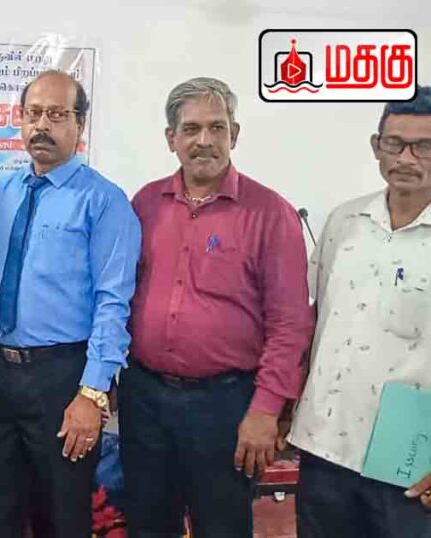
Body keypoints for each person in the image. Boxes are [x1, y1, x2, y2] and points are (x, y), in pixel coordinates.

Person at [0, 69, 141, 538]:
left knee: (62, 516)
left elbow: (113, 304)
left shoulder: (104, 202)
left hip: (62, 378)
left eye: (56, 115)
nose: (42, 125)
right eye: (33, 114)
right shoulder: (1, 194)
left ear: (79, 124)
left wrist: (92, 392)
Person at [121, 77, 315, 537]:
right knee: (146, 524)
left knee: (222, 526)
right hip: (144, 398)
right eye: (190, 129)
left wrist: (266, 410)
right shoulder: (145, 203)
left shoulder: (271, 214)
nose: (204, 140)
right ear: (171, 138)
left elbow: (290, 324)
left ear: (235, 134)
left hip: (225, 405)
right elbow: (121, 293)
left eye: (217, 127)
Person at [289, 86, 431, 538]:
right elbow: (311, 322)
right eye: (395, 143)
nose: (406, 158)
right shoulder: (345, 222)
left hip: (410, 461)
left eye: (424, 146)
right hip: (324, 447)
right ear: (376, 146)